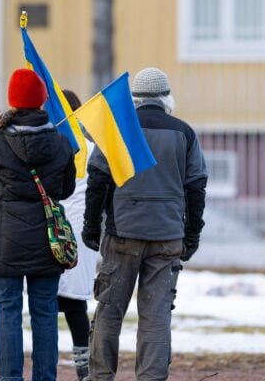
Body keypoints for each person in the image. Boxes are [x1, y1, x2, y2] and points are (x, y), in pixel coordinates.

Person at [83, 67, 208, 381]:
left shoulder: (117, 129)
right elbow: (196, 187)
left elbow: (97, 180)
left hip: (122, 233)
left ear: (133, 99)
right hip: (167, 237)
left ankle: (101, 376)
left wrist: (91, 226)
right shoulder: (184, 133)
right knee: (156, 317)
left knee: (109, 310)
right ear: (166, 98)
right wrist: (191, 234)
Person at [0, 68, 76, 381]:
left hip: (6, 242)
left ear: (12, 101)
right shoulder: (61, 142)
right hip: (47, 242)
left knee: (7, 312)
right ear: (42, 101)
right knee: (45, 313)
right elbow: (66, 189)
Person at [55, 89, 99, 381]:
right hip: (82, 235)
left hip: (56, 233)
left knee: (51, 303)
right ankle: (84, 368)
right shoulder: (92, 150)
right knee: (75, 306)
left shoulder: (53, 149)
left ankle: (50, 367)